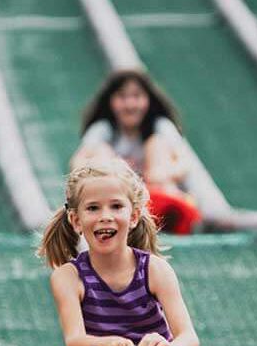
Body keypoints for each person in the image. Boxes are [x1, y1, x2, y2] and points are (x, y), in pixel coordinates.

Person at [38, 159, 199, 346]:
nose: (105, 216)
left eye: (116, 206)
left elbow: (189, 339)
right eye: (93, 208)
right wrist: (109, 344)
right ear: (76, 221)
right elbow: (75, 341)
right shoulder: (69, 276)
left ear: (133, 216)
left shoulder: (154, 270)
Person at [71, 69, 202, 234]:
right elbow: (77, 162)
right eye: (122, 97)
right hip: (119, 194)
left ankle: (165, 203)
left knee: (156, 144)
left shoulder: (159, 126)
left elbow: (184, 162)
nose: (130, 104)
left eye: (136, 97)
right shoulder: (105, 129)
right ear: (111, 101)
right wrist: (117, 167)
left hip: (156, 193)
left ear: (147, 100)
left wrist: (160, 174)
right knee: (101, 152)